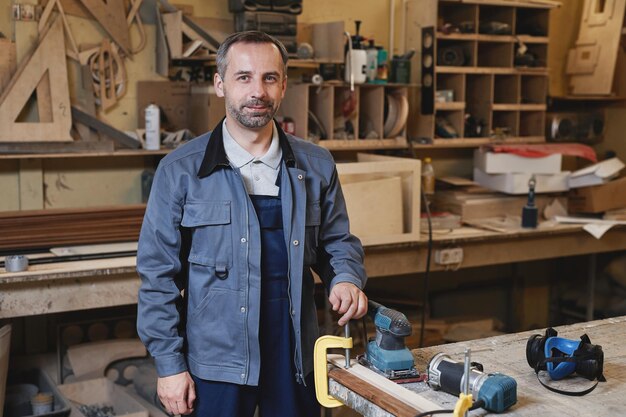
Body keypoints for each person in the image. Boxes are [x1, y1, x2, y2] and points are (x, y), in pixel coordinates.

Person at [136, 31, 368, 417]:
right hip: (215, 359)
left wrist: (345, 275)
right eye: (243, 77)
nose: (257, 90)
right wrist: (170, 365)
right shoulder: (180, 172)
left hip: (293, 354)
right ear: (220, 84)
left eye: (269, 78)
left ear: (283, 86)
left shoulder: (316, 166)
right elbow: (157, 276)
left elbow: (337, 241)